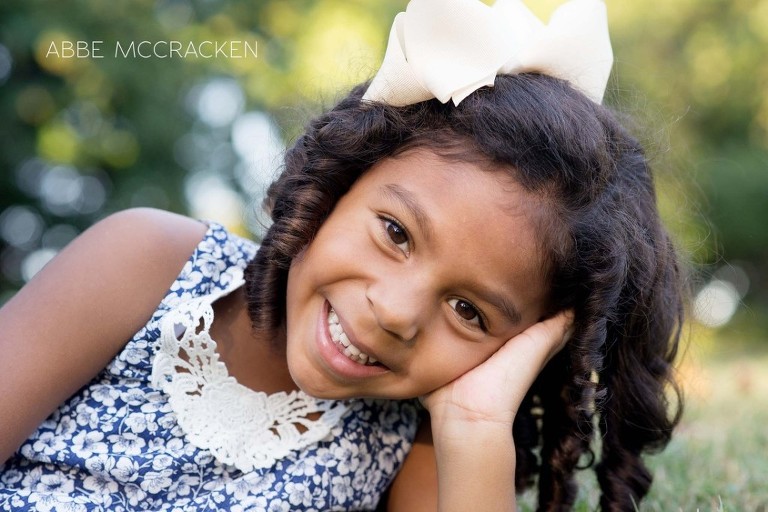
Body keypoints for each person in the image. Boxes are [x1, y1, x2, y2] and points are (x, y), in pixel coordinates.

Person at [0, 0, 684, 510]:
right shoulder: (148, 264)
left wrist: (475, 428)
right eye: (396, 233)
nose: (395, 312)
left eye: (468, 311)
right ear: (339, 181)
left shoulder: (415, 446)